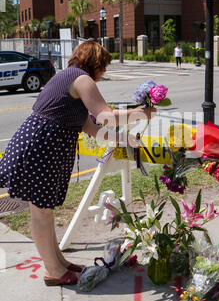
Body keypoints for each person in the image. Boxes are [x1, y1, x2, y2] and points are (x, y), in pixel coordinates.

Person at [0, 41, 156, 286]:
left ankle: (58, 262)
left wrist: (125, 139)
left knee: (45, 210)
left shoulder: (68, 77)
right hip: (41, 148)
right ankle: (54, 270)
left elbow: (93, 129)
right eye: (104, 67)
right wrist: (141, 113)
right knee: (40, 213)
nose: (104, 73)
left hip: (41, 146)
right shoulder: (83, 79)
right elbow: (105, 116)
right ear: (96, 63)